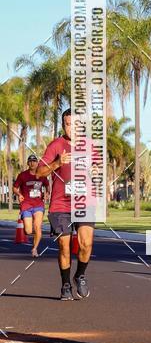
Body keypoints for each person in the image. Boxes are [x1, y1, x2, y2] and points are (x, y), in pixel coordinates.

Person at [36, 109, 95, 301]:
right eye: (68, 124)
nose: (72, 128)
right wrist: (57, 163)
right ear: (64, 125)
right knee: (64, 246)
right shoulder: (56, 146)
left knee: (86, 243)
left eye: (76, 124)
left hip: (84, 202)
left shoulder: (89, 146)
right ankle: (66, 285)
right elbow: (39, 173)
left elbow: (98, 168)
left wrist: (96, 170)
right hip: (61, 204)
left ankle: (80, 275)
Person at [13, 155, 49, 257]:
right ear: (28, 163)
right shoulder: (22, 175)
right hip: (26, 204)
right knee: (28, 231)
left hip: (38, 204)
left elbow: (47, 185)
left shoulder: (42, 175)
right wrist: (19, 194)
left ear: (37, 163)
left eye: (34, 161)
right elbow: (14, 188)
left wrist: (47, 193)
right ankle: (28, 222)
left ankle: (34, 249)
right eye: (30, 161)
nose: (32, 163)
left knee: (38, 227)